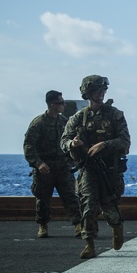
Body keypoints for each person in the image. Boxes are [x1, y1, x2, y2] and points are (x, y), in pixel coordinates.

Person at [61, 75, 131, 260]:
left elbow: (125, 141)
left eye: (103, 90)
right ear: (87, 93)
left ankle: (117, 227)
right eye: (97, 91)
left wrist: (105, 145)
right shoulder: (78, 118)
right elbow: (64, 141)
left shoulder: (115, 115)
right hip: (87, 168)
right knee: (88, 206)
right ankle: (89, 244)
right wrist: (72, 144)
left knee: (110, 206)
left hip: (109, 169)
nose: (101, 94)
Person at [23, 90, 82, 238]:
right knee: (43, 198)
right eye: (61, 103)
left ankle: (78, 225)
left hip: (63, 166)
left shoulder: (65, 123)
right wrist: (38, 163)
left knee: (70, 196)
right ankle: (42, 225)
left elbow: (71, 142)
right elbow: (29, 146)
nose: (64, 105)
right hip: (45, 167)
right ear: (53, 105)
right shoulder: (38, 123)